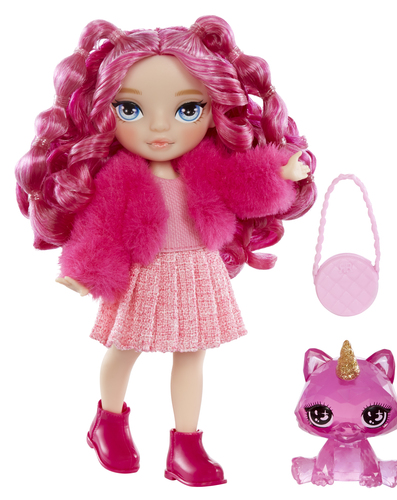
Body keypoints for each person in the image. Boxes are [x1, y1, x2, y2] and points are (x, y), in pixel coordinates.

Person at [15, 15, 316, 486]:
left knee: (192, 356)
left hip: (197, 272)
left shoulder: (207, 164)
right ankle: (108, 422)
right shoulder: (120, 175)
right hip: (143, 275)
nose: (160, 126)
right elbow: (101, 225)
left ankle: (186, 446)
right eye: (130, 109)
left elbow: (243, 186)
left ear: (214, 109)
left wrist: (279, 172)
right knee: (124, 348)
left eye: (188, 109)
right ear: (104, 111)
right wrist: (85, 269)